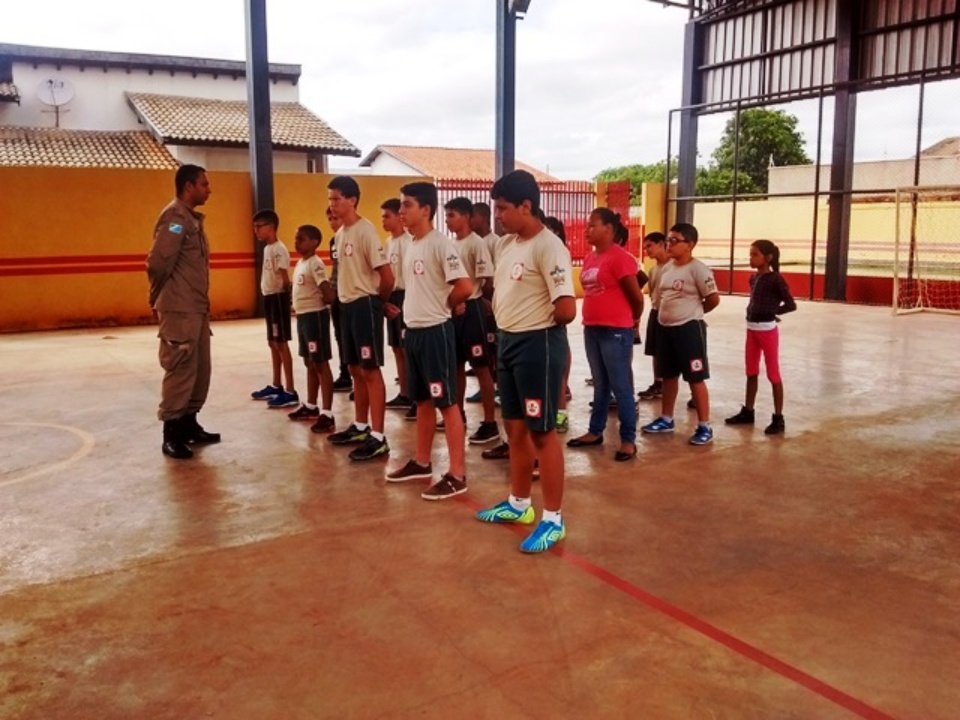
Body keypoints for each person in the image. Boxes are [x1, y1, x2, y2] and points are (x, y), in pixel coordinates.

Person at [474, 170, 576, 554]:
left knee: (542, 433)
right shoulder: (507, 245)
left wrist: (540, 318)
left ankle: (553, 518)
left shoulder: (549, 246)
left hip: (538, 346)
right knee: (515, 429)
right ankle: (519, 505)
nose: (497, 216)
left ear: (526, 206)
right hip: (509, 343)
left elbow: (566, 308)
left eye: (502, 209)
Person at [384, 182, 474, 499]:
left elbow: (465, 286)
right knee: (422, 400)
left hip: (436, 332)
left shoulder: (440, 245)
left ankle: (457, 473)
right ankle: (422, 462)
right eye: (400, 204)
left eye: (406, 204)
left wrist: (444, 305)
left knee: (446, 403)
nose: (401, 211)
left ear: (425, 209)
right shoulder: (410, 245)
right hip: (415, 332)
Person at [146, 164, 220, 459]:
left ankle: (189, 423)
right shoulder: (175, 218)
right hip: (179, 309)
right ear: (189, 186)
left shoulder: (191, 220)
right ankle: (172, 433)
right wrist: (160, 297)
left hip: (196, 309)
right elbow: (158, 262)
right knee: (180, 368)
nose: (208, 189)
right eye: (204, 184)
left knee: (199, 369)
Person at [326, 176, 395, 461]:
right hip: (347, 307)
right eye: (329, 199)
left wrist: (378, 302)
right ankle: (360, 425)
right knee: (354, 368)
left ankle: (378, 437)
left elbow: (387, 276)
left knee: (370, 370)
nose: (331, 205)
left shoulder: (365, 231)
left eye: (336, 199)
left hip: (365, 304)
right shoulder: (340, 234)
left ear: (352, 200)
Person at [567, 209, 644, 461]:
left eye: (592, 225)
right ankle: (594, 431)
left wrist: (632, 321)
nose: (586, 230)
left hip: (615, 331)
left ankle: (628, 440)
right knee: (601, 384)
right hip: (593, 328)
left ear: (608, 229)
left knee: (621, 386)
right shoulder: (591, 259)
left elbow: (636, 297)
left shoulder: (620, 258)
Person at [641, 222, 719, 445]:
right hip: (666, 329)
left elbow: (713, 299)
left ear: (690, 245)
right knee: (668, 376)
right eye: (668, 240)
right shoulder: (667, 268)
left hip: (689, 330)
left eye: (675, 241)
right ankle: (666, 419)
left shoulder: (698, 269)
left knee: (696, 377)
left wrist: (693, 313)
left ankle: (704, 426)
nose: (670, 244)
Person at [443, 197, 500, 445]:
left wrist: (483, 303)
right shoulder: (449, 245)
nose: (448, 220)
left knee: (480, 366)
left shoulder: (477, 244)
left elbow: (486, 280)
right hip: (454, 311)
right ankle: (459, 415)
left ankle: (490, 423)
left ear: (467, 216)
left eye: (452, 214)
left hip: (474, 310)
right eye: (446, 215)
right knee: (455, 366)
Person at [725, 239, 796, 435]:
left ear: (768, 257)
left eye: (755, 254)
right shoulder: (753, 278)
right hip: (751, 329)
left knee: (773, 373)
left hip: (767, 330)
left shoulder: (776, 279)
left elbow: (791, 304)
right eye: (750, 254)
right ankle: (748, 411)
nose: (751, 258)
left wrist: (772, 312)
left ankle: (778, 417)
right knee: (751, 371)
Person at [286, 224, 338, 433]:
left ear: (315, 242)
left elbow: (326, 289)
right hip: (304, 317)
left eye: (302, 239)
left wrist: (329, 300)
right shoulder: (301, 262)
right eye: (296, 239)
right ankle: (310, 405)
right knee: (309, 362)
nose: (297, 242)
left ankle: (327, 413)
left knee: (320, 363)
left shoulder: (315, 264)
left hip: (315, 317)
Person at [249, 210, 299, 409]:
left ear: (271, 227)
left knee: (281, 343)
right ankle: (276, 384)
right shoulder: (267, 249)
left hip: (278, 298)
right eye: (254, 227)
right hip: (269, 297)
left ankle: (290, 390)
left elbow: (285, 280)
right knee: (272, 342)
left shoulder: (279, 249)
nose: (256, 231)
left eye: (259, 226)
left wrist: (289, 301)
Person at [380, 198, 414, 415]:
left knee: (408, 349)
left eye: (387, 216)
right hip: (392, 297)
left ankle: (415, 397)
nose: (383, 220)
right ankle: (404, 392)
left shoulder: (409, 242)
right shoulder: (387, 243)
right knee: (396, 348)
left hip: (406, 296)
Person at [543, 215, 573, 434]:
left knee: (558, 370)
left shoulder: (556, 252)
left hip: (551, 323)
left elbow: (566, 308)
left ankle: (560, 412)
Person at [637, 232, 670, 401]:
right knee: (656, 350)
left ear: (661, 244)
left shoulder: (673, 266)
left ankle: (692, 388)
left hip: (671, 314)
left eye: (650, 246)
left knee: (673, 352)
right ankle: (658, 383)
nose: (647, 250)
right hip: (655, 311)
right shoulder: (653, 270)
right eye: (645, 247)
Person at [327, 207, 353, 393]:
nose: (333, 222)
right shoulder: (333, 241)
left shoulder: (353, 237)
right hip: (336, 291)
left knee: (352, 336)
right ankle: (345, 373)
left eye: (335, 218)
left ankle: (356, 375)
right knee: (339, 335)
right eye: (330, 219)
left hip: (351, 293)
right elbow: (336, 268)